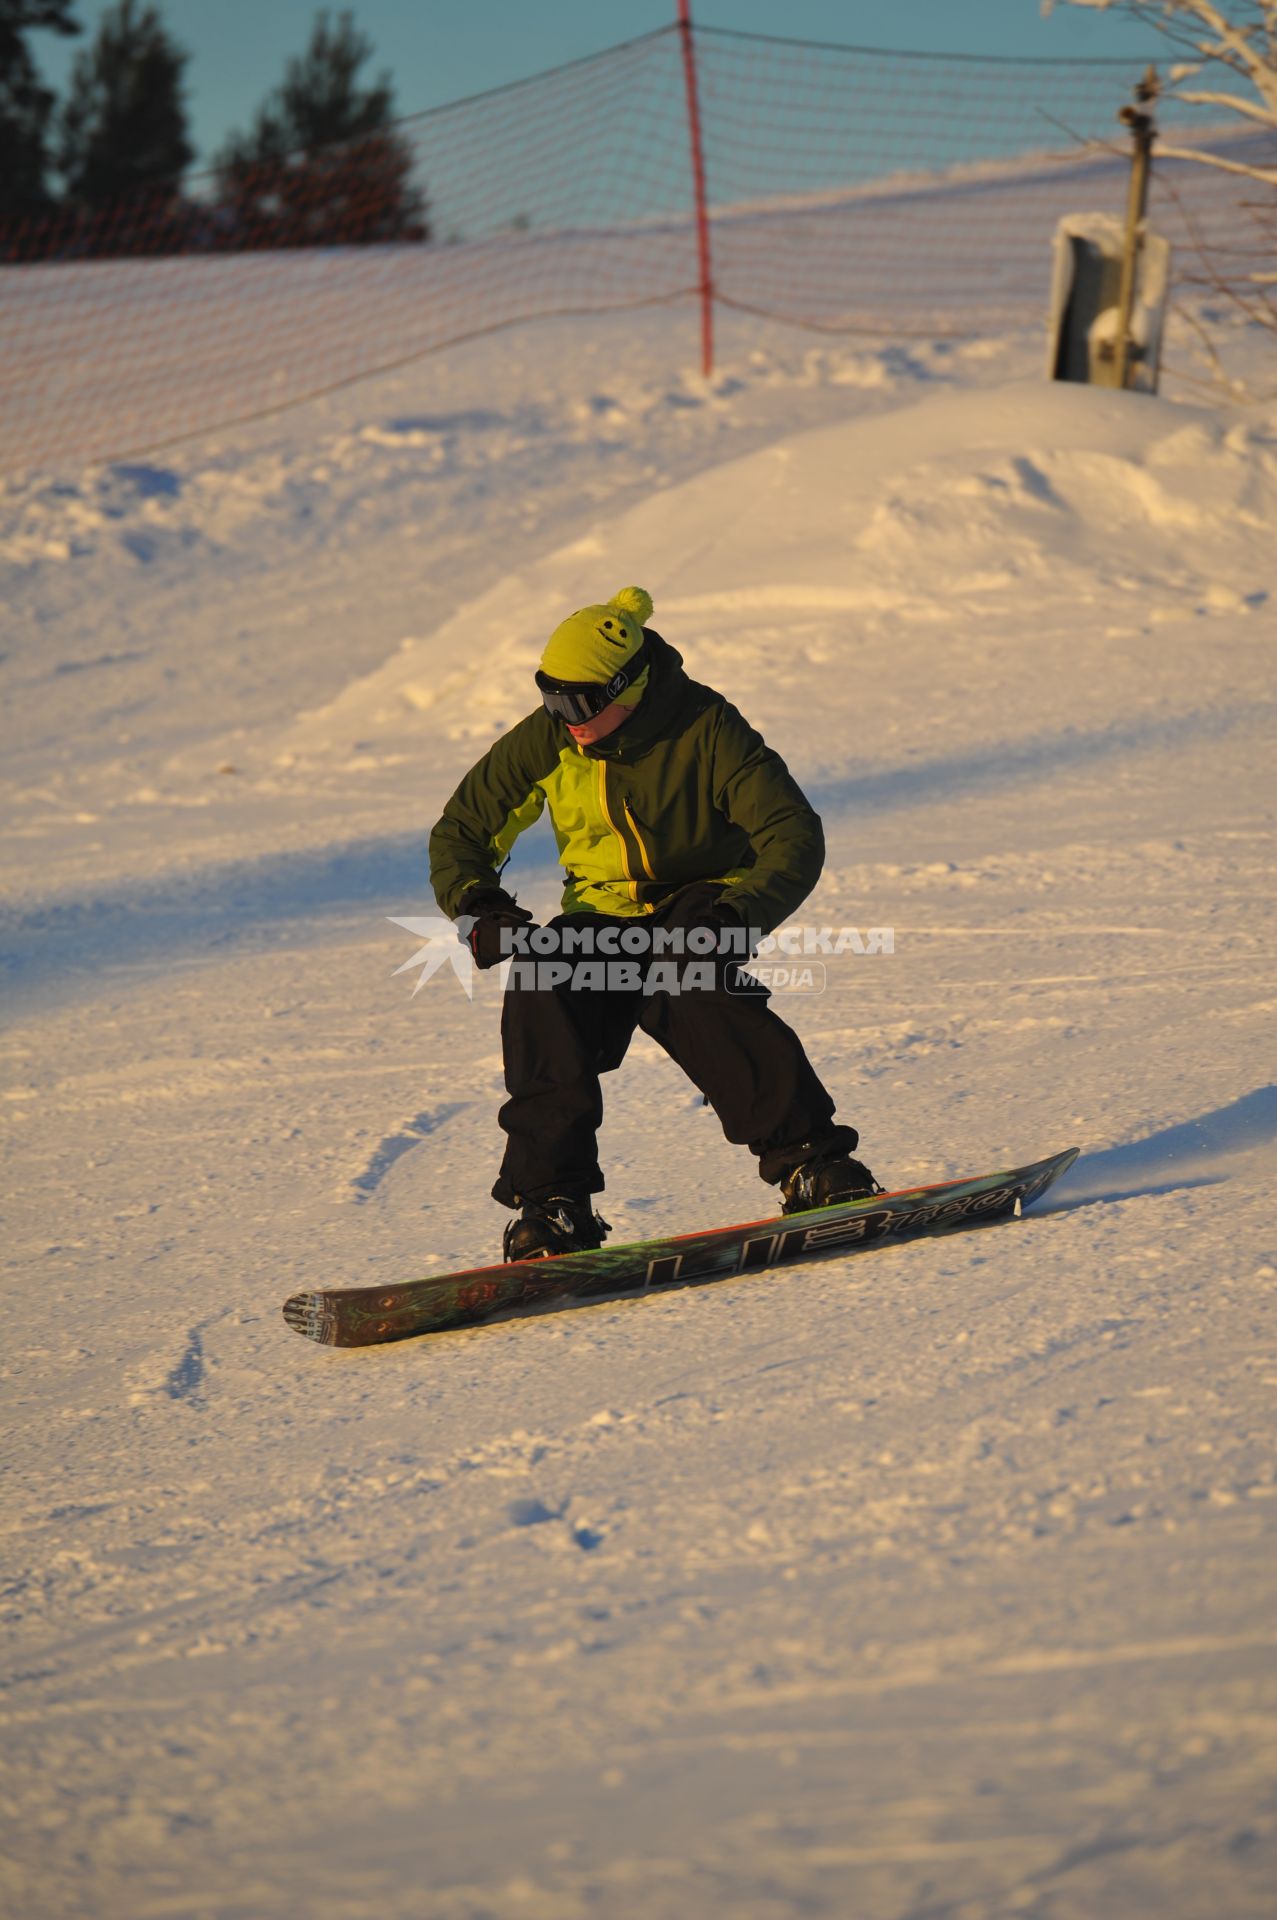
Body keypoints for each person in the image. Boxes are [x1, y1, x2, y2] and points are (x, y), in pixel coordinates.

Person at [429, 585, 879, 1260]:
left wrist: (738, 913)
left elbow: (790, 832)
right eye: (551, 697)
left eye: (579, 702)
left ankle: (809, 1161)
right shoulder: (548, 739)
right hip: (601, 910)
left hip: (701, 895)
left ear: (630, 684)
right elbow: (464, 829)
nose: (564, 717)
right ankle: (552, 1204)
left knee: (688, 979)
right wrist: (477, 906)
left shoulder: (704, 725)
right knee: (543, 980)